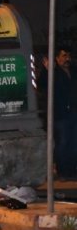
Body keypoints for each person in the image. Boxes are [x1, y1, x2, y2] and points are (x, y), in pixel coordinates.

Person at [38, 46, 77, 180]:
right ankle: (63, 172)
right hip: (60, 114)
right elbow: (42, 84)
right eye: (64, 56)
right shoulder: (54, 73)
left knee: (73, 143)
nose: (67, 59)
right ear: (57, 58)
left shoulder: (73, 71)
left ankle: (72, 170)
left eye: (68, 56)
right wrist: (48, 70)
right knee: (63, 143)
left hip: (73, 112)